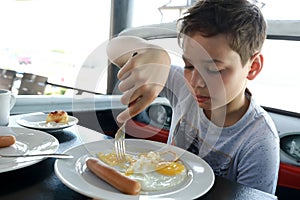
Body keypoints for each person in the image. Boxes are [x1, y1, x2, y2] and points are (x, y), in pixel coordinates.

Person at [106, 0, 280, 195]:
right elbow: (113, 47)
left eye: (214, 70)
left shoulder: (259, 141)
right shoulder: (183, 85)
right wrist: (155, 54)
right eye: (189, 65)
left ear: (253, 67)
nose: (196, 82)